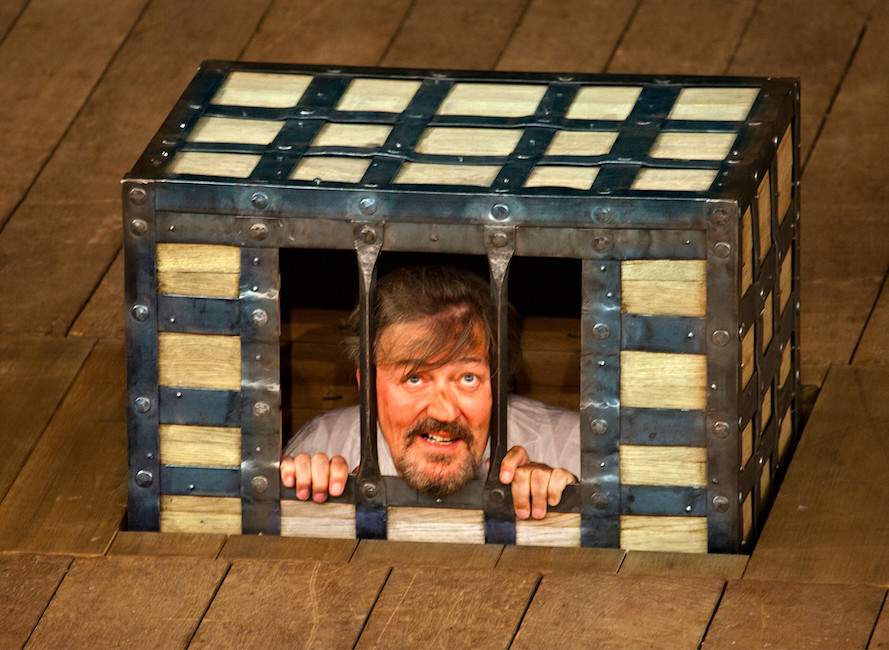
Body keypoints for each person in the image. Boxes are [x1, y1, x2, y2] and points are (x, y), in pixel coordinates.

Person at [280, 266, 579, 520]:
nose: (444, 412)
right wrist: (302, 498)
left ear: (498, 384)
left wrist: (564, 501)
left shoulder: (568, 448)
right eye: (414, 379)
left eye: (468, 378)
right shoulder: (324, 444)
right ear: (367, 387)